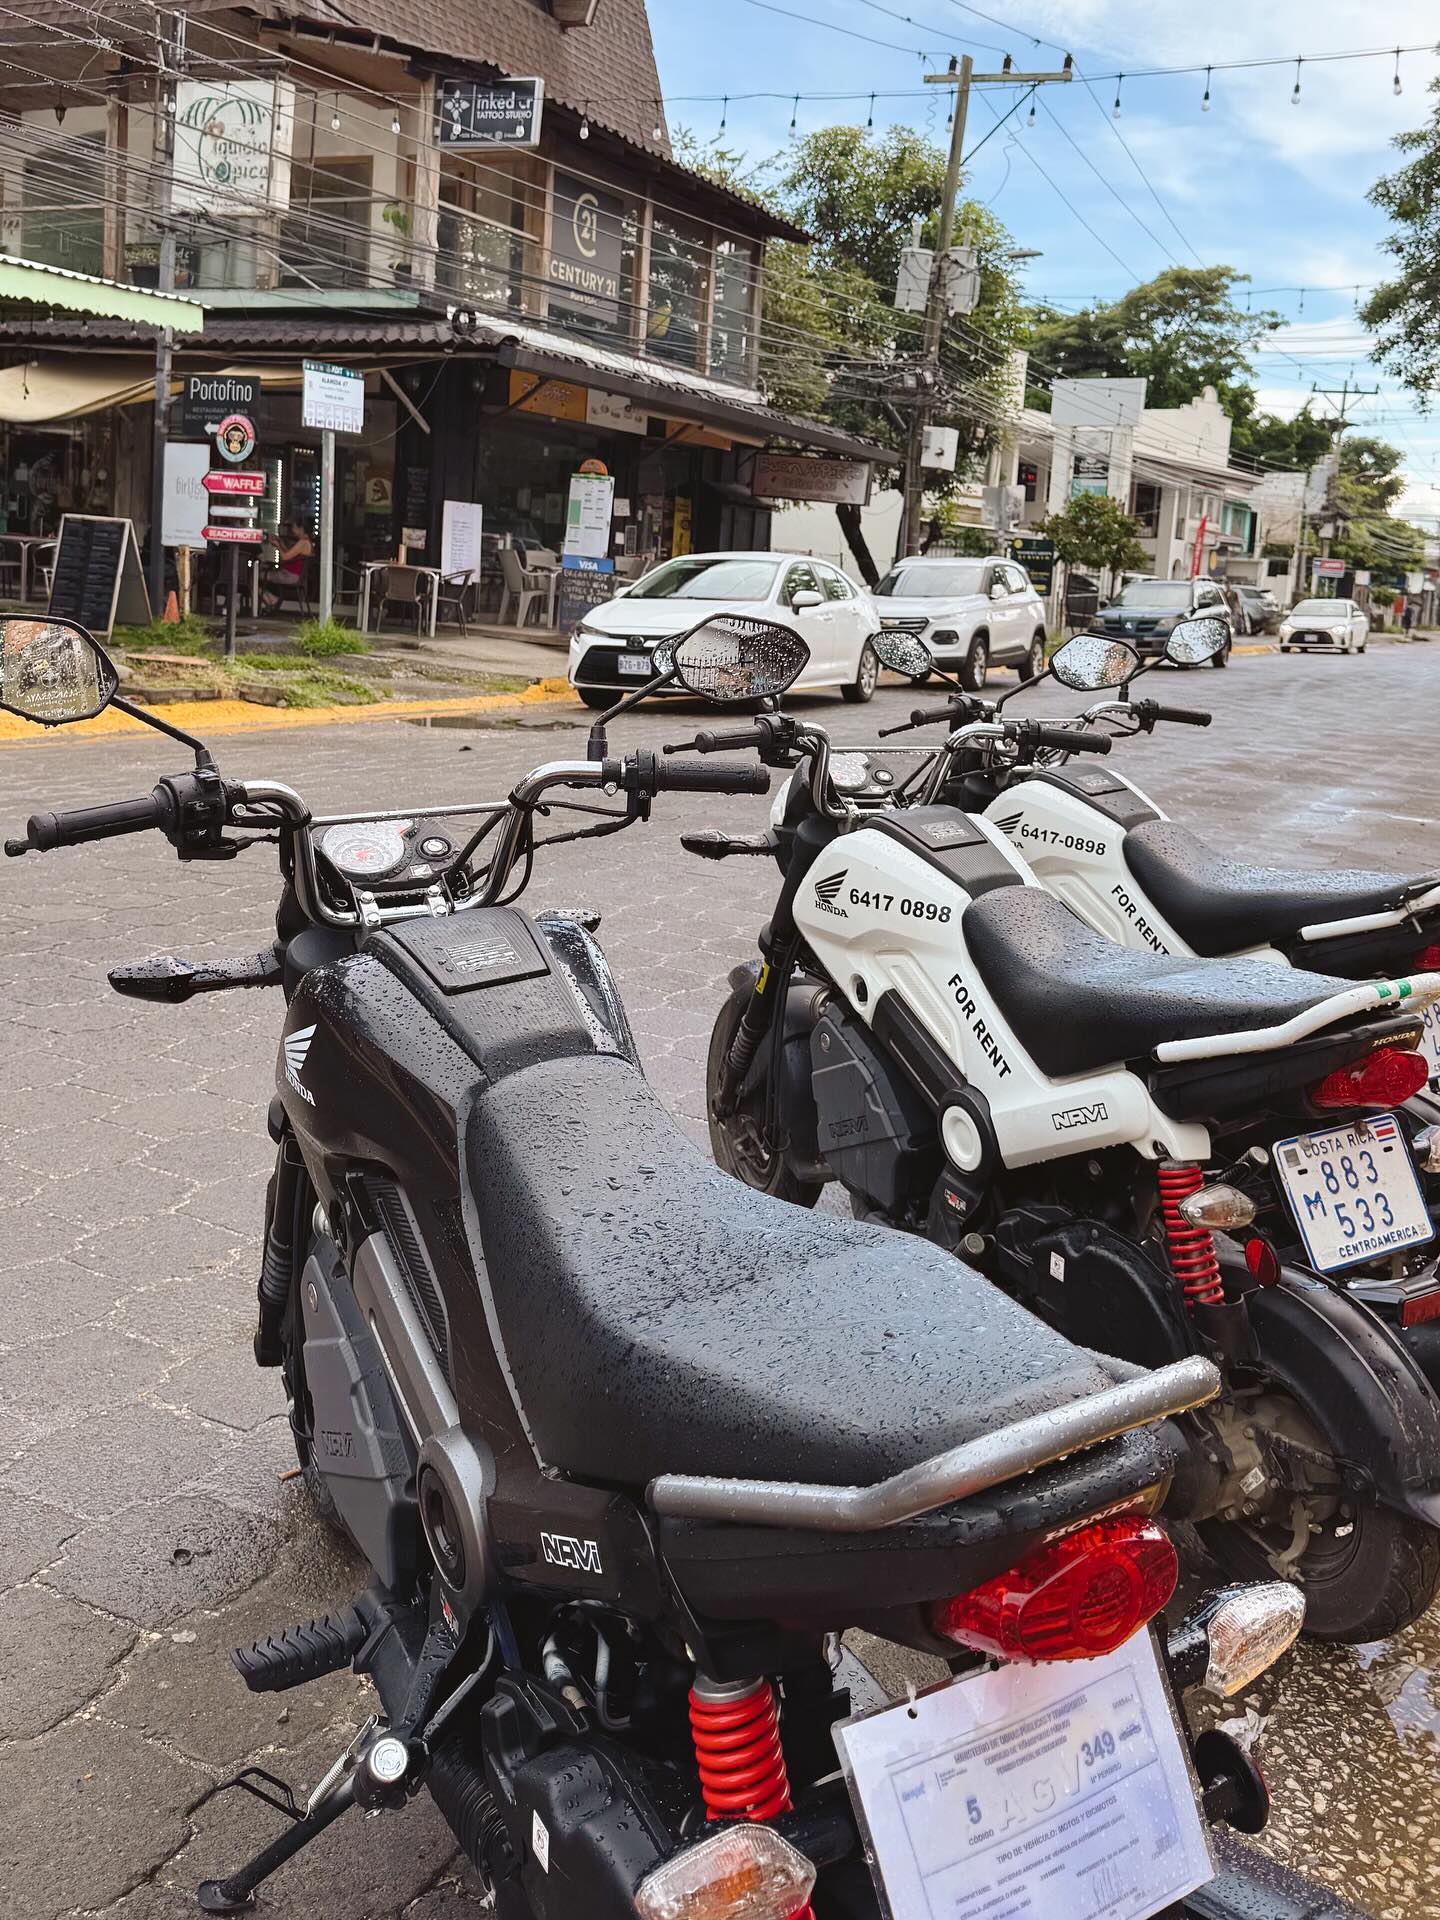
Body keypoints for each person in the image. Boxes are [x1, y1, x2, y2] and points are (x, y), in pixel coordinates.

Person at [261, 519, 312, 612]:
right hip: (292, 574)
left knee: (254, 576)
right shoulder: (305, 542)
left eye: (294, 527)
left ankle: (270, 599)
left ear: (301, 529)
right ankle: (271, 599)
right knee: (258, 575)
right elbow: (290, 554)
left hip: (290, 575)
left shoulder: (303, 542)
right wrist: (280, 542)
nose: (292, 530)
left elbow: (285, 557)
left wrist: (278, 546)